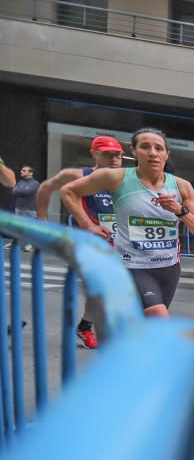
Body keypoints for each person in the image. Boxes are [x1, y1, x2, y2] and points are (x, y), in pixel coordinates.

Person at [60, 128, 194, 317]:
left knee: (147, 321)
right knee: (159, 315)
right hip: (133, 266)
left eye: (159, 148)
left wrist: (180, 210)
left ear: (166, 154)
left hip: (169, 268)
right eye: (145, 147)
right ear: (134, 151)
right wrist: (87, 224)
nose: (153, 153)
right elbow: (68, 191)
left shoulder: (182, 186)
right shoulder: (116, 177)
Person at [36, 136, 124, 348]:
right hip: (89, 242)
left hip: (119, 242)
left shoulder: (125, 178)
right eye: (107, 154)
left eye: (117, 155)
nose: (113, 159)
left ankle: (87, 325)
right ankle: (90, 328)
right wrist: (42, 221)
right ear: (94, 154)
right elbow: (46, 188)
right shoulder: (77, 175)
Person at [11, 166, 40, 251]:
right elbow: (14, 191)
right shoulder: (20, 182)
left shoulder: (35, 183)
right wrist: (21, 190)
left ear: (30, 173)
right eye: (22, 170)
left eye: (24, 171)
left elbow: (27, 191)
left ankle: (31, 244)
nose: (21, 172)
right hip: (19, 208)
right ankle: (16, 243)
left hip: (30, 209)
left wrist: (20, 190)